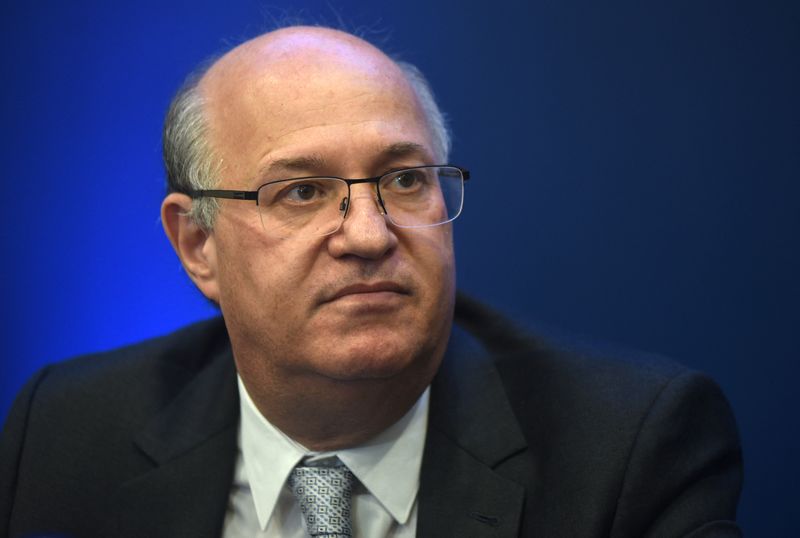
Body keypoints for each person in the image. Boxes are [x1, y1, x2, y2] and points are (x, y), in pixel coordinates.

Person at [0, 26, 742, 538]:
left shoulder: (628, 451)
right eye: (301, 192)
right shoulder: (64, 434)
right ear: (198, 244)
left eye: (405, 179)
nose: (368, 234)